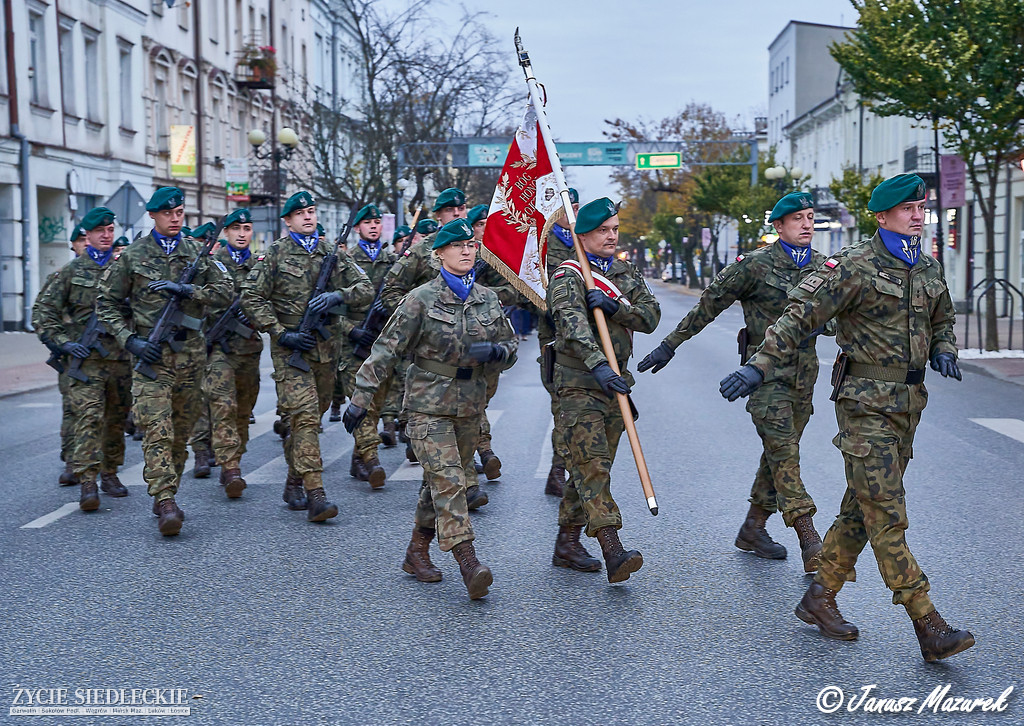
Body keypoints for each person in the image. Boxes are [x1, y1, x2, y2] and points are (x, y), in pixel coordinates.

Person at [719, 174, 974, 662]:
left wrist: (944, 349)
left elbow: (942, 319)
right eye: (907, 209)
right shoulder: (852, 266)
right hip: (864, 405)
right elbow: (798, 318)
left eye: (921, 207)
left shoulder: (928, 266)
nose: (918, 215)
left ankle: (820, 597)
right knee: (886, 514)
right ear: (882, 217)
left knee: (861, 508)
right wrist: (758, 366)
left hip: (908, 405)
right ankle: (928, 623)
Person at [638, 191, 829, 572]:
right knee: (786, 457)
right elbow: (709, 304)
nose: (807, 224)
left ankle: (753, 528)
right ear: (778, 226)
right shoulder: (754, 266)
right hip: (762, 376)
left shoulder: (827, 268)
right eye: (798, 219)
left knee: (779, 453)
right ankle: (812, 542)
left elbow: (843, 316)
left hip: (804, 377)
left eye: (810, 217)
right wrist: (669, 345)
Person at [343, 218, 518, 599]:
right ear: (439, 254)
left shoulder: (487, 298)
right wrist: (360, 399)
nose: (467, 251)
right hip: (427, 405)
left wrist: (499, 352)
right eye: (458, 247)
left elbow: (511, 345)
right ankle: (468, 560)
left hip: (470, 406)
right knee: (452, 480)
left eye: (471, 245)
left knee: (437, 483)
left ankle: (416, 553)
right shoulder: (419, 299)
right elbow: (385, 349)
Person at [96, 187, 233, 536]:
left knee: (179, 436)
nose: (175, 218)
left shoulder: (196, 253)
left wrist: (189, 292)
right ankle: (166, 500)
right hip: (151, 360)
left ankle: (164, 493)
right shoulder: (133, 256)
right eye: (168, 213)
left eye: (179, 213)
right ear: (153, 216)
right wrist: (132, 341)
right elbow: (106, 304)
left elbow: (225, 293)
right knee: (157, 431)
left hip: (190, 359)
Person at [240, 191, 373, 521]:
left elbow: (366, 289)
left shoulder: (332, 253)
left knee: (313, 416)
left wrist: (336, 296)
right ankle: (316, 493)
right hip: (291, 353)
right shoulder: (274, 254)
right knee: (305, 418)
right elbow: (251, 298)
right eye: (300, 213)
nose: (308, 217)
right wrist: (280, 332)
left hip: (326, 353)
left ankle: (294, 480)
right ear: (288, 221)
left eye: (312, 211)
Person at [547, 197, 660, 582]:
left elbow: (650, 316)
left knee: (592, 464)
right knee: (592, 464)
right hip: (579, 383)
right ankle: (613, 549)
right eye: (602, 231)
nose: (611, 236)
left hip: (616, 383)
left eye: (614, 229)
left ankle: (567, 542)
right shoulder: (567, 277)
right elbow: (573, 326)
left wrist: (616, 307)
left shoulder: (624, 272)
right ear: (584, 235)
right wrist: (597, 364)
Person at [33, 206, 132, 511]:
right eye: (100, 231)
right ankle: (88, 481)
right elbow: (43, 312)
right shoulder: (70, 272)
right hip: (85, 363)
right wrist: (64, 343)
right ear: (86, 236)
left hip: (120, 360)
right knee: (88, 419)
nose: (106, 236)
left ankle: (110, 472)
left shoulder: (125, 269)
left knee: (116, 420)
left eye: (110, 230)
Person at [330, 203, 396, 488]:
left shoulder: (391, 260)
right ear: (357, 228)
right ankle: (371, 459)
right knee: (361, 401)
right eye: (367, 222)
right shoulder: (344, 260)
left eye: (376, 222)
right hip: (352, 344)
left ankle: (358, 458)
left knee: (377, 402)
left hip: (381, 341)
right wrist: (351, 329)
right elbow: (330, 305)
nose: (372, 226)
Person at [201, 209, 263, 498]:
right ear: (225, 233)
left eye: (247, 228)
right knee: (223, 406)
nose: (241, 233)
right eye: (236, 228)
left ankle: (234, 456)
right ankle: (231, 467)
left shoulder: (261, 267)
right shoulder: (211, 265)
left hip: (248, 348)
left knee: (243, 411)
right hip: (218, 351)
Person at [467, 203, 519, 482]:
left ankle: (478, 449)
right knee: (467, 398)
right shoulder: (453, 253)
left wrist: (482, 291)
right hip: (455, 338)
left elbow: (515, 290)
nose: (486, 229)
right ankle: (483, 451)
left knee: (480, 398)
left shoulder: (496, 257)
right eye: (481, 224)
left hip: (490, 335)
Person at [538, 188, 579, 497]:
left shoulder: (584, 243)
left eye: (573, 207)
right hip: (553, 337)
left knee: (574, 409)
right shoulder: (541, 246)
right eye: (564, 208)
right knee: (562, 406)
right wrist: (548, 307)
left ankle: (563, 469)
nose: (569, 213)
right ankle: (557, 471)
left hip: (583, 336)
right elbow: (527, 287)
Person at [187, 221, 219, 479]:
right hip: (193, 342)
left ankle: (218, 445)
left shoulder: (217, 268)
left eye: (215, 242)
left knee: (217, 399)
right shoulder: (190, 268)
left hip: (222, 343)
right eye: (207, 242)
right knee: (199, 397)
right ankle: (200, 450)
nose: (213, 247)